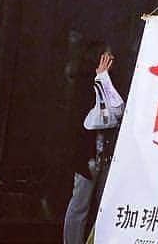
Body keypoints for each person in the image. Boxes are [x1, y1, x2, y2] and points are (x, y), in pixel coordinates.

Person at [63, 46, 124, 244]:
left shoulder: (116, 81)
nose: (110, 59)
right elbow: (92, 120)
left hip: (106, 155)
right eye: (106, 55)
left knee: (104, 205)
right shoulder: (84, 86)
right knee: (80, 204)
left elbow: (117, 112)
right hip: (88, 155)